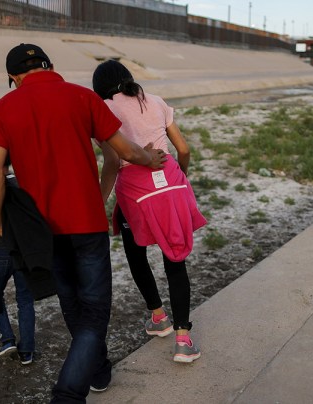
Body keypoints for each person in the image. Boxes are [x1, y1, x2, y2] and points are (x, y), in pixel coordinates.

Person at [0, 43, 166, 403]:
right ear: (50, 65)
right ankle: (69, 393)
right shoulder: (82, 98)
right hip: (87, 222)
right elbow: (123, 151)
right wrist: (151, 159)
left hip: (42, 231)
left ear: (13, 77)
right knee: (95, 310)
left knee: (71, 304)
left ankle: (97, 370)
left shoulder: (3, 108)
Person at [92, 59, 207, 363]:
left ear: (100, 87)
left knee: (136, 251)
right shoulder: (155, 101)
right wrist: (180, 179)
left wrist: (100, 201)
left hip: (135, 190)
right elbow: (183, 149)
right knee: (175, 258)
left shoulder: (103, 108)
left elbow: (114, 162)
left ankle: (159, 317)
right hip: (170, 179)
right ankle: (184, 340)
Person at [0, 155, 36, 366]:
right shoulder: (23, 185)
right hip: (23, 252)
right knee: (25, 300)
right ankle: (27, 351)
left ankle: (7, 339)